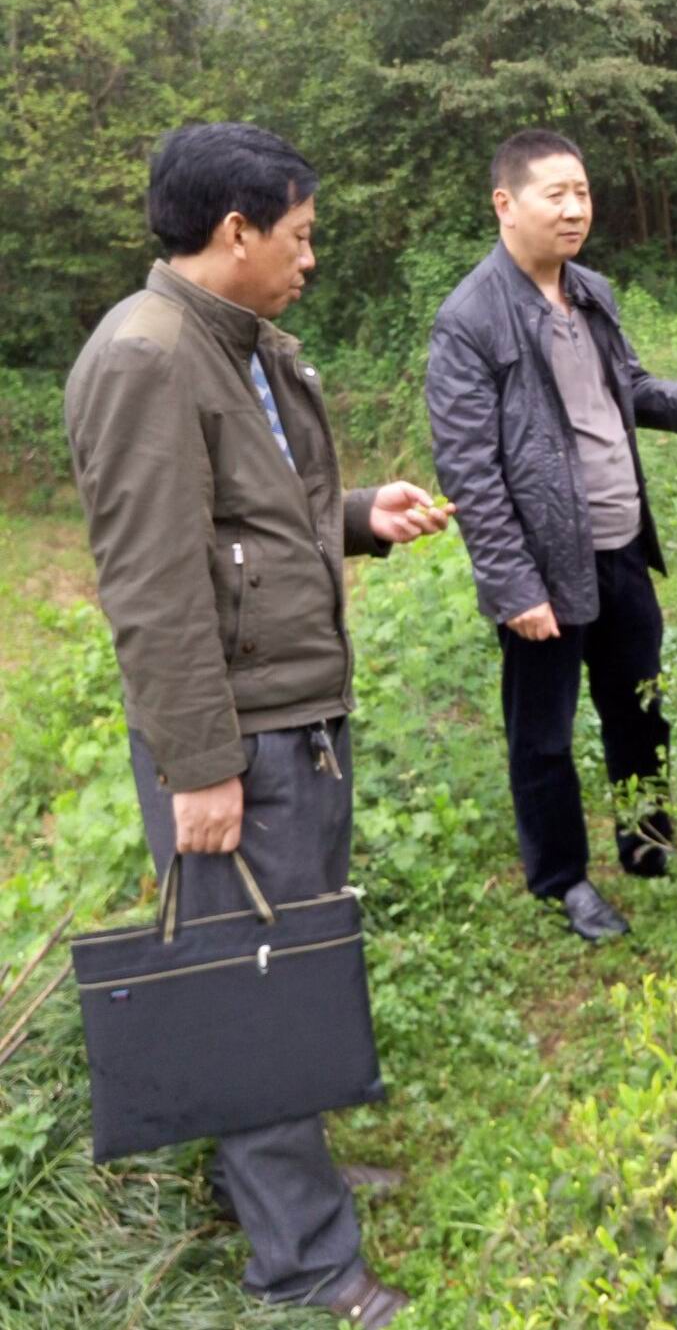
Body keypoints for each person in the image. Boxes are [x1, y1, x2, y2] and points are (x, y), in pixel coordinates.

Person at [65, 122, 452, 1326]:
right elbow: (155, 587)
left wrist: (354, 516)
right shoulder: (147, 357)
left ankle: (281, 1183)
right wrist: (200, 766)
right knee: (252, 982)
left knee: (286, 969)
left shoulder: (231, 345)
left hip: (292, 716)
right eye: (300, 234)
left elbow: (249, 516)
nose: (310, 257)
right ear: (235, 232)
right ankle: (304, 1262)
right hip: (237, 735)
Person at [426, 129, 677, 940]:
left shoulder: (590, 292)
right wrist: (514, 586)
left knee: (638, 710)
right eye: (556, 194)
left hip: (621, 546)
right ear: (505, 203)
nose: (575, 208)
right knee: (542, 735)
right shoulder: (470, 319)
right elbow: (469, 468)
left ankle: (647, 843)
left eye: (581, 192)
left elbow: (628, 387)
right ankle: (562, 879)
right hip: (544, 568)